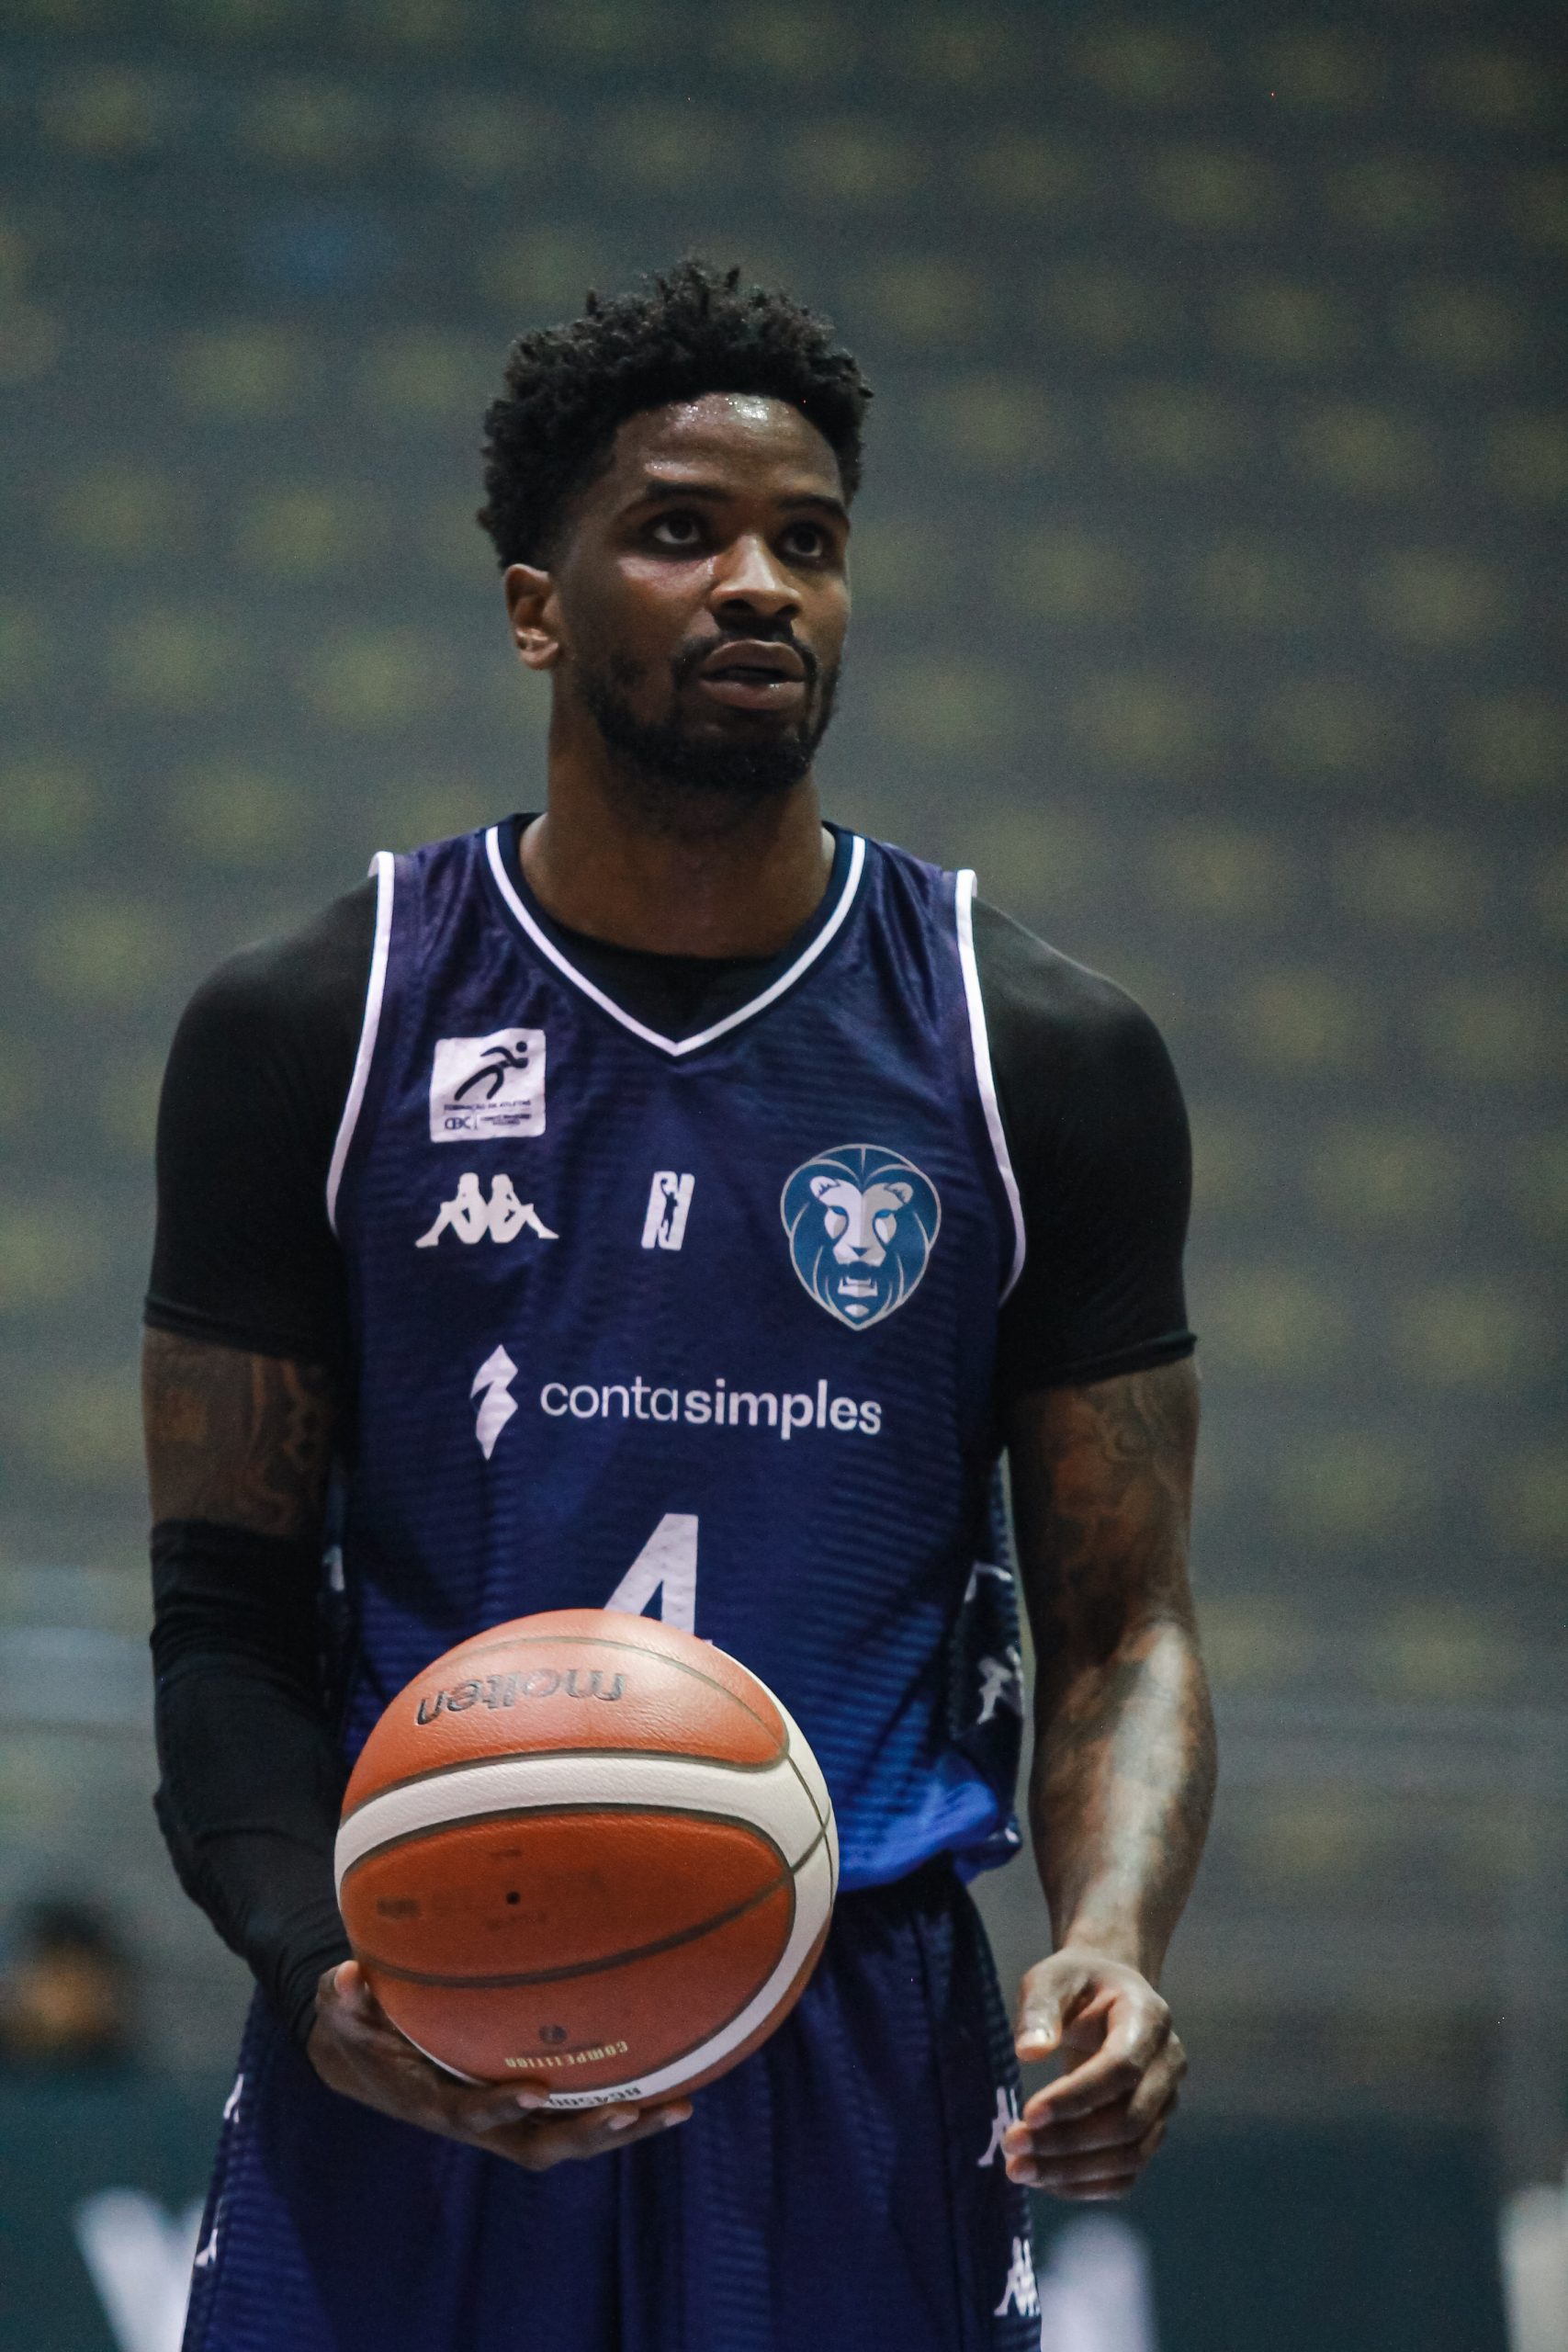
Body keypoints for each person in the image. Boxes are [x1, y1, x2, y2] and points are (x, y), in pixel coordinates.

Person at [143, 259, 1214, 2352]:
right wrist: (311, 1964)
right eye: (678, 530)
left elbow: (1122, 1620)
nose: (758, 586)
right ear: (535, 606)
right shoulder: (316, 1026)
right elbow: (223, 1606)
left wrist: (1110, 1935)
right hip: (429, 1994)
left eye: (807, 541)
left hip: (853, 2035)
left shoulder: (1038, 1054)